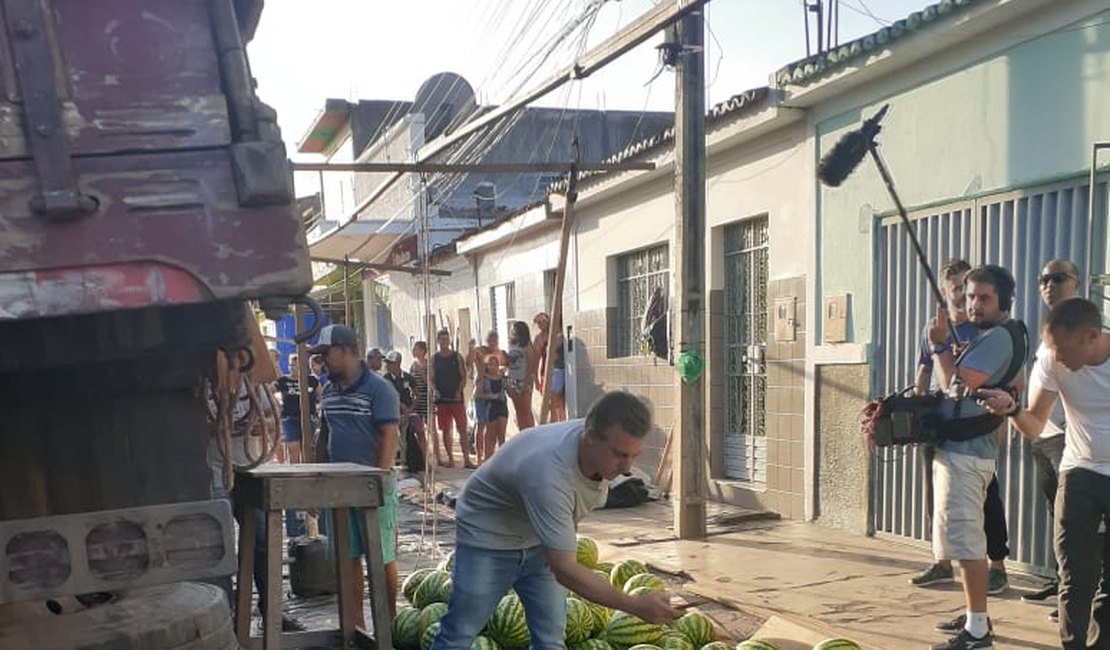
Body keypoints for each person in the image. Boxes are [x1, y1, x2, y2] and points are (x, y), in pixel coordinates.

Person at [430, 391, 680, 650]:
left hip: (537, 536)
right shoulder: (549, 473)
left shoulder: (597, 443)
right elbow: (565, 569)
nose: (627, 468)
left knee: (550, 639)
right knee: (460, 631)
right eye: (620, 455)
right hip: (487, 535)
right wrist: (635, 605)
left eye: (634, 456)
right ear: (590, 436)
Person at [980, 297, 1110, 650]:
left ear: (1092, 336)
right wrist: (1012, 410)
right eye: (1052, 349)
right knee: (1074, 574)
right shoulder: (1052, 360)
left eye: (1064, 349)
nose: (1057, 357)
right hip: (1080, 469)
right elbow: (1035, 424)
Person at [925, 265, 1023, 650]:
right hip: (967, 453)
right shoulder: (1000, 335)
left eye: (984, 298)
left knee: (967, 546)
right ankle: (973, 614)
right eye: (970, 297)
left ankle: (978, 631)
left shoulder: (998, 338)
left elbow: (953, 385)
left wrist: (937, 346)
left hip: (966, 456)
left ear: (1004, 301)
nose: (974, 305)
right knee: (964, 541)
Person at [910, 259, 1010, 596]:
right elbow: (925, 370)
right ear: (944, 291)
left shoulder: (986, 332)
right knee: (938, 497)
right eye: (958, 290)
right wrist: (917, 411)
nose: (965, 299)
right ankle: (941, 562)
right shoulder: (933, 328)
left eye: (969, 291)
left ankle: (997, 566)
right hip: (938, 427)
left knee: (987, 500)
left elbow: (960, 383)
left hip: (975, 431)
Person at [309, 324, 402, 621]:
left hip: (373, 486)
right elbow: (324, 436)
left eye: (326, 354)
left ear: (346, 351)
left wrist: (377, 480)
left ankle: (387, 625)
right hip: (338, 488)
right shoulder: (329, 390)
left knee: (380, 557)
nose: (322, 362)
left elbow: (389, 435)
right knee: (346, 558)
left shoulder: (379, 389)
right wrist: (316, 482)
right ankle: (354, 627)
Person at [1021, 260, 1080, 616]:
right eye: (1043, 279)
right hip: (1042, 437)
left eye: (1058, 278)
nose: (1049, 285)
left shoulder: (1088, 331)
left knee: (1075, 522)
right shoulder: (1047, 333)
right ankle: (1062, 582)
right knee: (1055, 516)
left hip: (1070, 442)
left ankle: (1079, 593)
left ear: (1076, 284)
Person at [431, 329, 473, 469]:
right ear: (438, 341)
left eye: (446, 339)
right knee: (445, 430)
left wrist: (459, 391)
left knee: (462, 429)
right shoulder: (434, 359)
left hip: (456, 399)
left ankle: (467, 459)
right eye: (442, 340)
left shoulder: (457, 356)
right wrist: (435, 390)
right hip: (442, 400)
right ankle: (450, 459)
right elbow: (431, 379)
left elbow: (463, 376)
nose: (445, 342)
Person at [384, 350, 428, 473]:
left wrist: (410, 410)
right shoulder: (385, 379)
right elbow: (389, 396)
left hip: (410, 412)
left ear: (398, 363)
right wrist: (401, 408)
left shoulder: (408, 377)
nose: (388, 366)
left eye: (391, 363)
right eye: (387, 363)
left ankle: (426, 462)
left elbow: (417, 395)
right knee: (395, 436)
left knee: (420, 432)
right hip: (393, 414)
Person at [274, 353, 318, 465]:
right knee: (293, 448)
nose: (294, 368)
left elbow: (321, 395)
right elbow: (269, 391)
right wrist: (277, 405)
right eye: (292, 365)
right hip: (289, 417)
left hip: (308, 418)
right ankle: (295, 471)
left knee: (307, 449)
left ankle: (308, 471)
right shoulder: (283, 381)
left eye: (297, 365)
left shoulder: (312, 380)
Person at [472, 331, 505, 463]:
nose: (492, 343)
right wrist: (470, 348)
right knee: (481, 425)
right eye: (490, 340)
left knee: (494, 430)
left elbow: (507, 365)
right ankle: (479, 455)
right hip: (482, 392)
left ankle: (496, 457)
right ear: (486, 340)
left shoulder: (499, 353)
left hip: (495, 398)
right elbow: (469, 361)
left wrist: (503, 371)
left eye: (495, 340)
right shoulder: (480, 351)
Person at [533, 312, 566, 422]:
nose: (541, 324)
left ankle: (561, 422)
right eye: (538, 322)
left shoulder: (558, 334)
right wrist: (536, 380)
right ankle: (554, 422)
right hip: (546, 372)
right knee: (550, 401)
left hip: (559, 370)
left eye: (543, 321)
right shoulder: (538, 339)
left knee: (560, 401)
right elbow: (536, 361)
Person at [475, 354, 509, 462]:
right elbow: (478, 395)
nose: (492, 367)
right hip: (491, 407)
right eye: (490, 364)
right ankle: (487, 459)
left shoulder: (503, 377)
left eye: (494, 364)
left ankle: (502, 460)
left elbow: (509, 389)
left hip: (502, 406)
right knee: (491, 436)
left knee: (502, 435)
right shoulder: (483, 379)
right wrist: (491, 396)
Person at [506, 320, 536, 431]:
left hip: (523, 379)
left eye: (515, 329)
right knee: (518, 410)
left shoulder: (527, 345)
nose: (512, 331)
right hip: (512, 379)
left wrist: (527, 382)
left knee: (526, 410)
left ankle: (531, 432)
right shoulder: (511, 345)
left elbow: (531, 364)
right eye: (512, 329)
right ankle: (522, 432)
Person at [411, 341, 433, 458]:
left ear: (423, 351)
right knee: (419, 430)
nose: (413, 351)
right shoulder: (413, 365)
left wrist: (421, 372)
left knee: (431, 429)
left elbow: (431, 382)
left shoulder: (429, 365)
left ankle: (435, 455)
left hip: (427, 399)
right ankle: (423, 455)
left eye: (416, 349)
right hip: (417, 401)